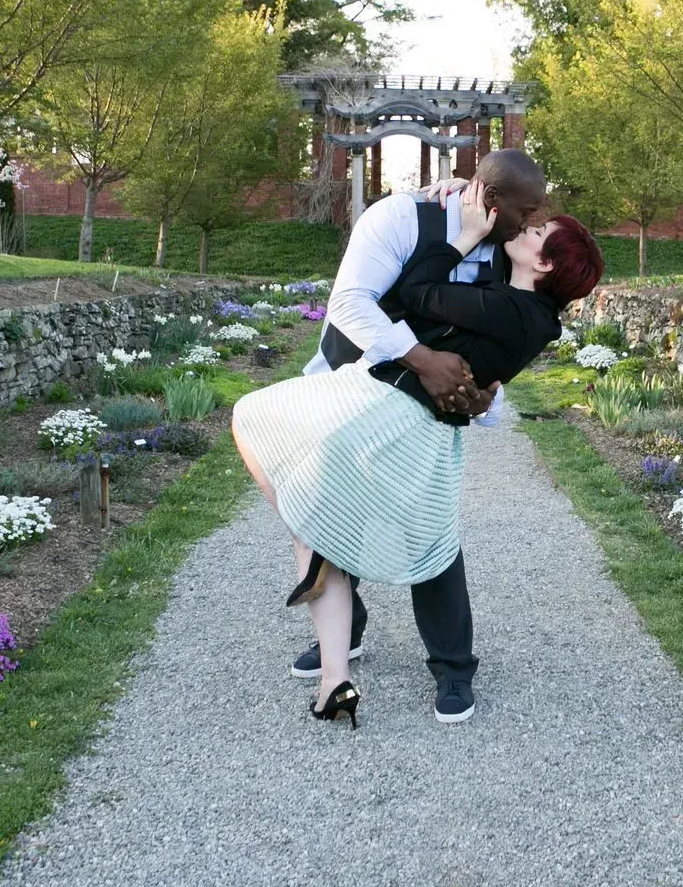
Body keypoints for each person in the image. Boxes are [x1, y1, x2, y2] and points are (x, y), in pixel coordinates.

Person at [231, 173, 605, 728]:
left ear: (544, 263)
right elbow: (359, 304)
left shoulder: (512, 300)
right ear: (492, 197)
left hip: (403, 414)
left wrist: (481, 392)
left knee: (426, 541)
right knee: (345, 506)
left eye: (538, 223)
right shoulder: (416, 222)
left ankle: (448, 665)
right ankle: (335, 602)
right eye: (530, 213)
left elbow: (413, 294)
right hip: (375, 390)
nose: (530, 222)